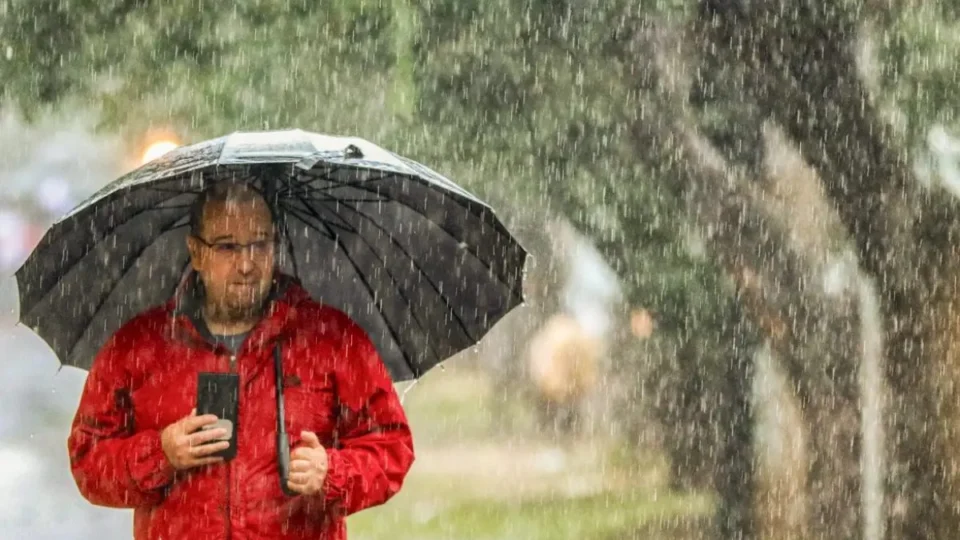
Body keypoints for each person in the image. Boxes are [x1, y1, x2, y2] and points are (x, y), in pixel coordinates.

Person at [67, 181, 415, 539]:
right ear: (196, 252)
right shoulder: (138, 345)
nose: (247, 264)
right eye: (227, 246)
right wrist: (161, 453)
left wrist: (332, 471)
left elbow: (391, 446)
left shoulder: (330, 337)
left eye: (260, 244)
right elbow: (87, 461)